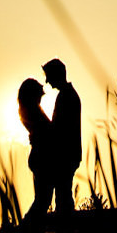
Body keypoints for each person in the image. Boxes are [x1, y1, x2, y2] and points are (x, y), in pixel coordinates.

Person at [42, 57, 82, 214]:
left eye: (48, 76)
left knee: (63, 196)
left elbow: (60, 129)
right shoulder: (67, 95)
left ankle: (66, 232)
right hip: (69, 155)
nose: (47, 81)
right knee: (63, 195)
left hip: (66, 155)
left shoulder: (67, 97)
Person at [17, 78, 55, 220]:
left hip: (38, 157)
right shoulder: (32, 112)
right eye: (39, 95)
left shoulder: (30, 111)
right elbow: (46, 131)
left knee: (42, 200)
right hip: (41, 158)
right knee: (42, 201)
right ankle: (26, 230)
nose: (41, 99)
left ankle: (29, 230)